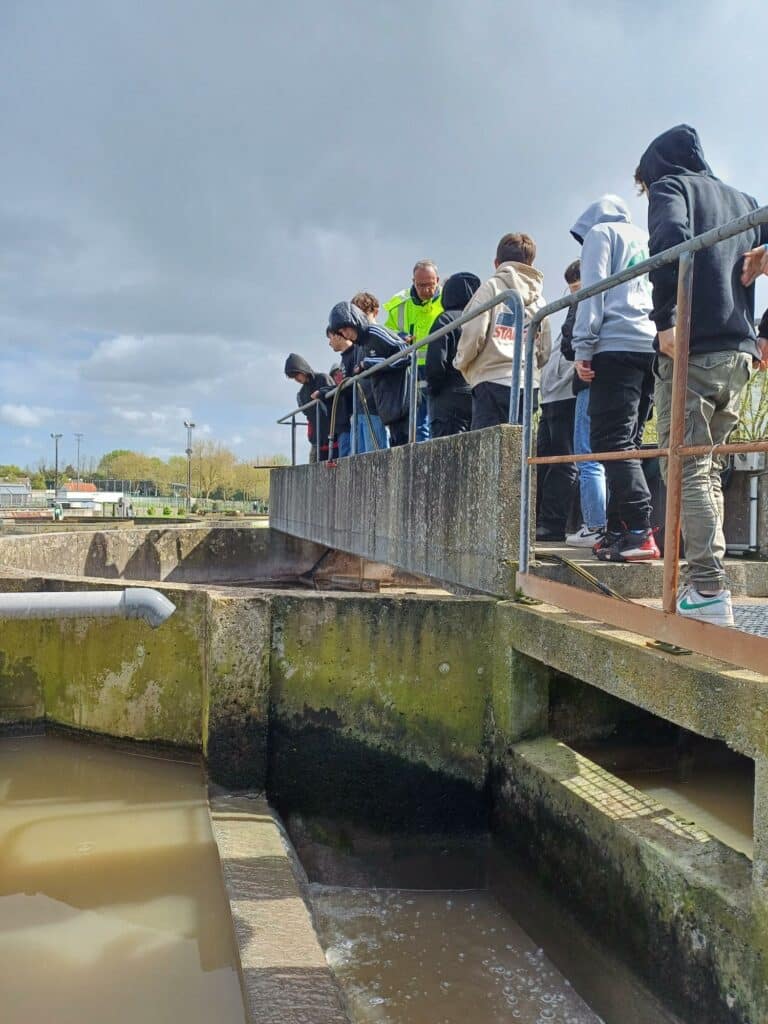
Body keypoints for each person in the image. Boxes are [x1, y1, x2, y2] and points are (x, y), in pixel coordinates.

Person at [635, 124, 768, 624]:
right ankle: (708, 583)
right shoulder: (747, 201)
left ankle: (709, 590)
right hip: (739, 350)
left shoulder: (672, 186)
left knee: (686, 465)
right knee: (706, 465)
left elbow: (669, 239)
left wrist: (666, 318)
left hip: (695, 347)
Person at [569, 195, 657, 563]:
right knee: (630, 441)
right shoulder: (642, 236)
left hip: (615, 342)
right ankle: (622, 531)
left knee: (610, 440)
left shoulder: (600, 234)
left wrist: (583, 347)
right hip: (649, 341)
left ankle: (638, 528)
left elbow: (593, 290)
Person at [454, 233, 551, 429]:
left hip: (491, 378)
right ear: (530, 263)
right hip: (528, 383)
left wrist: (461, 362)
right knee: (520, 451)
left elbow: (474, 334)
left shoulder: (491, 288)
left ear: (496, 262)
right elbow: (545, 349)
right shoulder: (540, 299)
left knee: (489, 453)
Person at [560, 260, 608, 547]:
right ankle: (613, 527)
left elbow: (569, 340)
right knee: (616, 453)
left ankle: (595, 526)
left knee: (587, 455)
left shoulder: (586, 297)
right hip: (621, 379)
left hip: (589, 380)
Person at [535, 263, 581, 541]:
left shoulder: (590, 307)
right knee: (544, 462)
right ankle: (541, 521)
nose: (574, 294)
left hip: (568, 396)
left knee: (564, 463)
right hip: (550, 396)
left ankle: (552, 524)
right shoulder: (571, 312)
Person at [326, 302, 411, 446]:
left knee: (408, 444)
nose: (346, 334)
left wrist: (369, 363)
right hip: (388, 404)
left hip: (401, 398)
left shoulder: (375, 332)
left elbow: (405, 354)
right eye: (342, 332)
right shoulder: (361, 345)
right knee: (397, 446)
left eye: (346, 328)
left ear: (354, 320)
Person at [384, 260, 443, 441]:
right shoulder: (399, 306)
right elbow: (387, 335)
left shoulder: (447, 300)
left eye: (430, 285)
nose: (425, 290)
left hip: (440, 367)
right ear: (413, 282)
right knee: (417, 424)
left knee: (437, 419)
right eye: (420, 285)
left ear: (437, 280)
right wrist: (398, 338)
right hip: (411, 370)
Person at [424, 272, 480, 437]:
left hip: (447, 397)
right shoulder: (480, 318)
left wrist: (433, 389)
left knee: (447, 456)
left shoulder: (445, 320)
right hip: (476, 393)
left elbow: (435, 363)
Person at [350, 291, 389, 453]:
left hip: (375, 407)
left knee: (375, 459)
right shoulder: (359, 343)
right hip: (360, 408)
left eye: (363, 314)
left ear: (375, 312)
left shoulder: (380, 335)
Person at [284, 353, 334, 462]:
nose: (296, 379)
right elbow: (309, 416)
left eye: (296, 375)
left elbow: (336, 403)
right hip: (316, 440)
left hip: (332, 436)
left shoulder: (323, 379)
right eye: (293, 377)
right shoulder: (301, 394)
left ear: (302, 370)